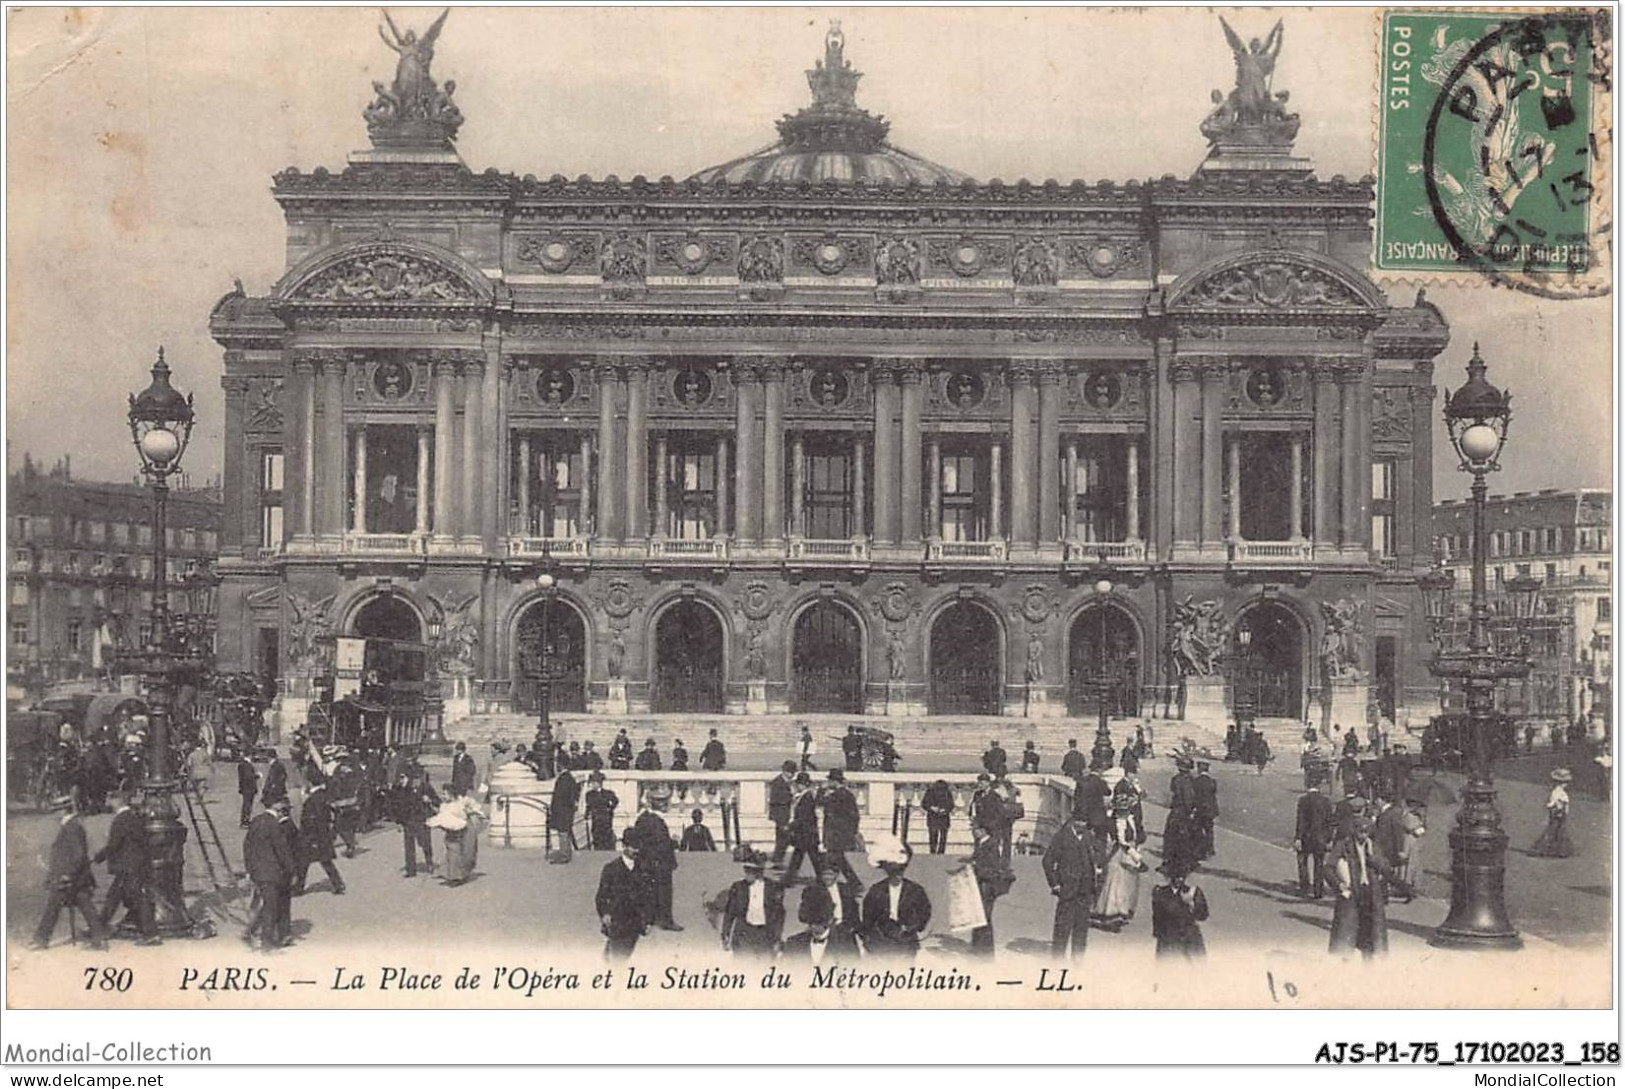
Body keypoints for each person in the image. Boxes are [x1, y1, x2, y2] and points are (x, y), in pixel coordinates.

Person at [1326, 797, 1402, 957]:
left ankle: (1368, 970)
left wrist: (1372, 857)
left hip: (1370, 895)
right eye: (1361, 832)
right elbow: (1328, 868)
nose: (1364, 835)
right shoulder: (1344, 845)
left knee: (1370, 940)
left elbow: (1386, 869)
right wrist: (1338, 885)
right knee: (1346, 939)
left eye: (1367, 832)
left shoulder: (1373, 847)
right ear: (1355, 830)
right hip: (1351, 894)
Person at [30, 798, 109, 951]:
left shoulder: (71, 827)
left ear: (64, 810)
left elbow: (78, 855)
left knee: (53, 906)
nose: (55, 814)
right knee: (84, 905)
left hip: (69, 878)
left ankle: (41, 939)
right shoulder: (72, 825)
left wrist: (68, 874)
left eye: (57, 810)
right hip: (77, 877)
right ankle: (100, 939)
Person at [94, 786, 158, 944]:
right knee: (113, 898)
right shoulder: (132, 816)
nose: (108, 802)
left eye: (111, 799)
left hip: (128, 867)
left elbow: (114, 844)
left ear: (117, 801)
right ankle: (98, 928)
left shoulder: (121, 819)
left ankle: (151, 934)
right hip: (133, 865)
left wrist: (98, 857)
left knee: (137, 898)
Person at [241, 798, 298, 951]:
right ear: (277, 808)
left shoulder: (256, 821)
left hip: (258, 872)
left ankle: (253, 934)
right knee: (271, 907)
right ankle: (267, 943)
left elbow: (247, 846)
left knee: (266, 904)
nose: (283, 814)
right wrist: (292, 871)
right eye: (283, 811)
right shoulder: (275, 825)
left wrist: (249, 869)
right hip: (272, 872)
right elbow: (282, 850)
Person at [860, 838, 931, 959]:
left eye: (900, 872)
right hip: (882, 940)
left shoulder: (915, 890)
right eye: (893, 872)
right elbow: (868, 916)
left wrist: (911, 927)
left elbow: (924, 911)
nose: (897, 876)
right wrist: (874, 934)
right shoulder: (876, 890)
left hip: (906, 940)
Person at [1042, 812, 1100, 959]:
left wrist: (1097, 873)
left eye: (1085, 822)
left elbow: (1099, 857)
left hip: (1085, 889)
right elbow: (1047, 861)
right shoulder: (1061, 837)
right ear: (1073, 821)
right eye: (1079, 821)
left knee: (1081, 928)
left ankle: (1078, 961)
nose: (1082, 825)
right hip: (1067, 889)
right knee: (1063, 926)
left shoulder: (1089, 837)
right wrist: (1054, 884)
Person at [1092, 792, 1146, 931]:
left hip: (1129, 853)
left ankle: (1122, 913)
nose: (1124, 812)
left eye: (1126, 810)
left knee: (1128, 885)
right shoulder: (1114, 823)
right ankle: (1110, 915)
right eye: (1121, 810)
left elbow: (1136, 836)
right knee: (1115, 883)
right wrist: (1136, 857)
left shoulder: (1130, 819)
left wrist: (1137, 850)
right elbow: (1121, 842)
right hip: (1118, 854)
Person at [629, 793, 681, 931]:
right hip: (660, 863)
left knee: (649, 892)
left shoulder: (643, 818)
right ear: (661, 805)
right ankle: (666, 921)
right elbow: (661, 845)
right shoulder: (656, 821)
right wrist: (674, 842)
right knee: (664, 892)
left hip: (647, 862)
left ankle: (648, 920)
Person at [962, 822, 1015, 955]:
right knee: (978, 914)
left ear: (983, 830)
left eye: (975, 829)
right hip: (981, 883)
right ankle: (977, 946)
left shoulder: (991, 844)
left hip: (987, 884)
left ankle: (985, 949)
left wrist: (975, 867)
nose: (973, 832)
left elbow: (992, 867)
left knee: (984, 916)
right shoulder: (982, 843)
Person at [595, 832, 649, 961]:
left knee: (624, 952)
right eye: (633, 847)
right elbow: (601, 896)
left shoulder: (643, 868)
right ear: (624, 846)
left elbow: (649, 896)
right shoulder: (611, 869)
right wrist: (605, 913)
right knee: (619, 957)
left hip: (636, 922)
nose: (637, 850)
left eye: (638, 847)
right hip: (617, 920)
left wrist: (649, 919)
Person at [720, 850, 784, 956]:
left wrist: (777, 938)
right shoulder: (738, 887)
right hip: (744, 934)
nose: (747, 873)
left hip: (765, 935)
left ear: (759, 871)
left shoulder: (773, 888)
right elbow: (729, 913)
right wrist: (725, 934)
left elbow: (779, 916)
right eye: (746, 870)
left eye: (750, 870)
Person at [794, 865, 861, 961]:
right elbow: (804, 914)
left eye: (830, 874)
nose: (827, 877)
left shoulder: (846, 889)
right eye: (824, 874)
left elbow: (854, 911)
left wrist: (855, 929)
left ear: (837, 874)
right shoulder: (811, 890)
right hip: (823, 928)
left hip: (843, 928)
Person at [294, 780, 346, 896]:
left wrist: (308, 835)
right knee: (324, 861)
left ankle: (299, 887)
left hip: (313, 836)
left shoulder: (314, 799)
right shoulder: (323, 795)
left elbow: (313, 819)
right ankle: (338, 884)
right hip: (322, 835)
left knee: (303, 862)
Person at [1151, 858, 1209, 959]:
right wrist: (1158, 933)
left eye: (1183, 876)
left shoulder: (1193, 892)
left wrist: (1191, 903)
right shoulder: (1160, 893)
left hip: (1189, 937)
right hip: (1168, 937)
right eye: (1176, 876)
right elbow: (1157, 916)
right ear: (1169, 877)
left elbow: (1203, 915)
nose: (1180, 879)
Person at [431, 785, 487, 887]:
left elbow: (470, 813)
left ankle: (459, 876)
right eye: (442, 794)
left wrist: (470, 813)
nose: (443, 796)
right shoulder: (443, 806)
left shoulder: (460, 804)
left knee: (463, 853)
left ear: (452, 795)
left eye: (445, 794)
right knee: (451, 854)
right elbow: (442, 818)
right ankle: (452, 877)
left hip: (463, 831)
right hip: (451, 832)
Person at [820, 769, 864, 888]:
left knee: (835, 860)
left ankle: (854, 884)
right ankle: (852, 883)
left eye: (829, 780)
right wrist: (853, 831)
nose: (828, 782)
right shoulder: (847, 794)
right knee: (837, 860)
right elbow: (855, 816)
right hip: (841, 833)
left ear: (834, 781)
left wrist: (821, 789)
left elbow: (819, 802)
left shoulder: (835, 796)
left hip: (835, 834)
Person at [393, 768, 439, 878]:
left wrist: (429, 800)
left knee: (424, 842)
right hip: (408, 821)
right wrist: (398, 822)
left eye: (403, 777)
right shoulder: (399, 789)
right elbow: (397, 807)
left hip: (421, 820)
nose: (401, 780)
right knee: (409, 846)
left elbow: (437, 801)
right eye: (399, 778)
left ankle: (429, 862)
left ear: (409, 777)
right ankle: (411, 870)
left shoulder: (423, 787)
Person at [1294, 774, 1335, 898]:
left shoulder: (1303, 800)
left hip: (1307, 835)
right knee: (1319, 863)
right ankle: (1318, 890)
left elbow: (1301, 820)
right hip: (1321, 836)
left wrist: (1298, 837)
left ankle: (1304, 888)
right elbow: (1330, 821)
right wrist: (1329, 837)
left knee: (1302, 862)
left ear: (1308, 785)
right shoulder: (1326, 800)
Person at [1161, 755, 1201, 877]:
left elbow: (1179, 794)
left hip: (1178, 811)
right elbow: (1189, 798)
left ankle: (1172, 862)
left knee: (1172, 837)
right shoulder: (1190, 780)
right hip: (1184, 812)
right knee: (1185, 837)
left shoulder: (1177, 779)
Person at [782, 773, 822, 882]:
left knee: (805, 857)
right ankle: (789, 878)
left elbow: (803, 817)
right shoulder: (803, 796)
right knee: (806, 857)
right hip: (806, 833)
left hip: (806, 833)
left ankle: (789, 879)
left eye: (798, 784)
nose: (796, 786)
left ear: (802, 785)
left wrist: (790, 826)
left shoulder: (806, 798)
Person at [1531, 768, 1575, 857]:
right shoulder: (1557, 792)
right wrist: (1557, 807)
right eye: (1564, 782)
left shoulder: (1560, 792)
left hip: (1560, 814)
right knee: (1553, 830)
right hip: (1557, 814)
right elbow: (1552, 803)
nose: (1565, 784)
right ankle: (1545, 849)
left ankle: (1556, 850)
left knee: (1558, 831)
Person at [549, 764, 580, 862]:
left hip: (562, 810)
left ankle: (564, 855)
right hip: (567, 810)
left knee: (563, 833)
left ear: (560, 766)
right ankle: (566, 853)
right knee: (565, 832)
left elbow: (560, 796)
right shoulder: (570, 778)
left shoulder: (563, 779)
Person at [768, 761, 796, 863]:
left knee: (782, 837)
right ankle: (777, 858)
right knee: (783, 837)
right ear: (785, 771)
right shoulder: (778, 782)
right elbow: (775, 799)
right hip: (780, 814)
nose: (792, 775)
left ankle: (777, 857)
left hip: (784, 813)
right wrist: (791, 796)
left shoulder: (785, 782)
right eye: (790, 772)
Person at [584, 772, 619, 850]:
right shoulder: (589, 794)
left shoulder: (608, 793)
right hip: (596, 818)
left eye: (593, 783)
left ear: (598, 783)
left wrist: (610, 808)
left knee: (606, 836)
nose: (592, 785)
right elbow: (588, 805)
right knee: (596, 836)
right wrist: (586, 814)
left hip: (606, 818)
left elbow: (615, 801)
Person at [1193, 760, 1219, 860]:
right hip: (1210, 809)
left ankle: (1201, 850)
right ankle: (1210, 849)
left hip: (1200, 809)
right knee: (1209, 830)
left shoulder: (1196, 781)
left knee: (1198, 829)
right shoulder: (1212, 781)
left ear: (1199, 769)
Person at [921, 778, 954, 855]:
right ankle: (936, 851)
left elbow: (951, 805)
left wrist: (944, 810)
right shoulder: (931, 792)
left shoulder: (946, 793)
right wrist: (932, 808)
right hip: (935, 817)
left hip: (941, 817)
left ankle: (937, 851)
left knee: (940, 836)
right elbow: (924, 804)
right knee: (935, 835)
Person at [237, 753, 259, 829]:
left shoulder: (242, 764)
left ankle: (245, 820)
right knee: (247, 805)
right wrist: (257, 776)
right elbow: (248, 776)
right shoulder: (247, 765)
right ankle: (245, 821)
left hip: (244, 788)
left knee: (246, 804)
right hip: (249, 788)